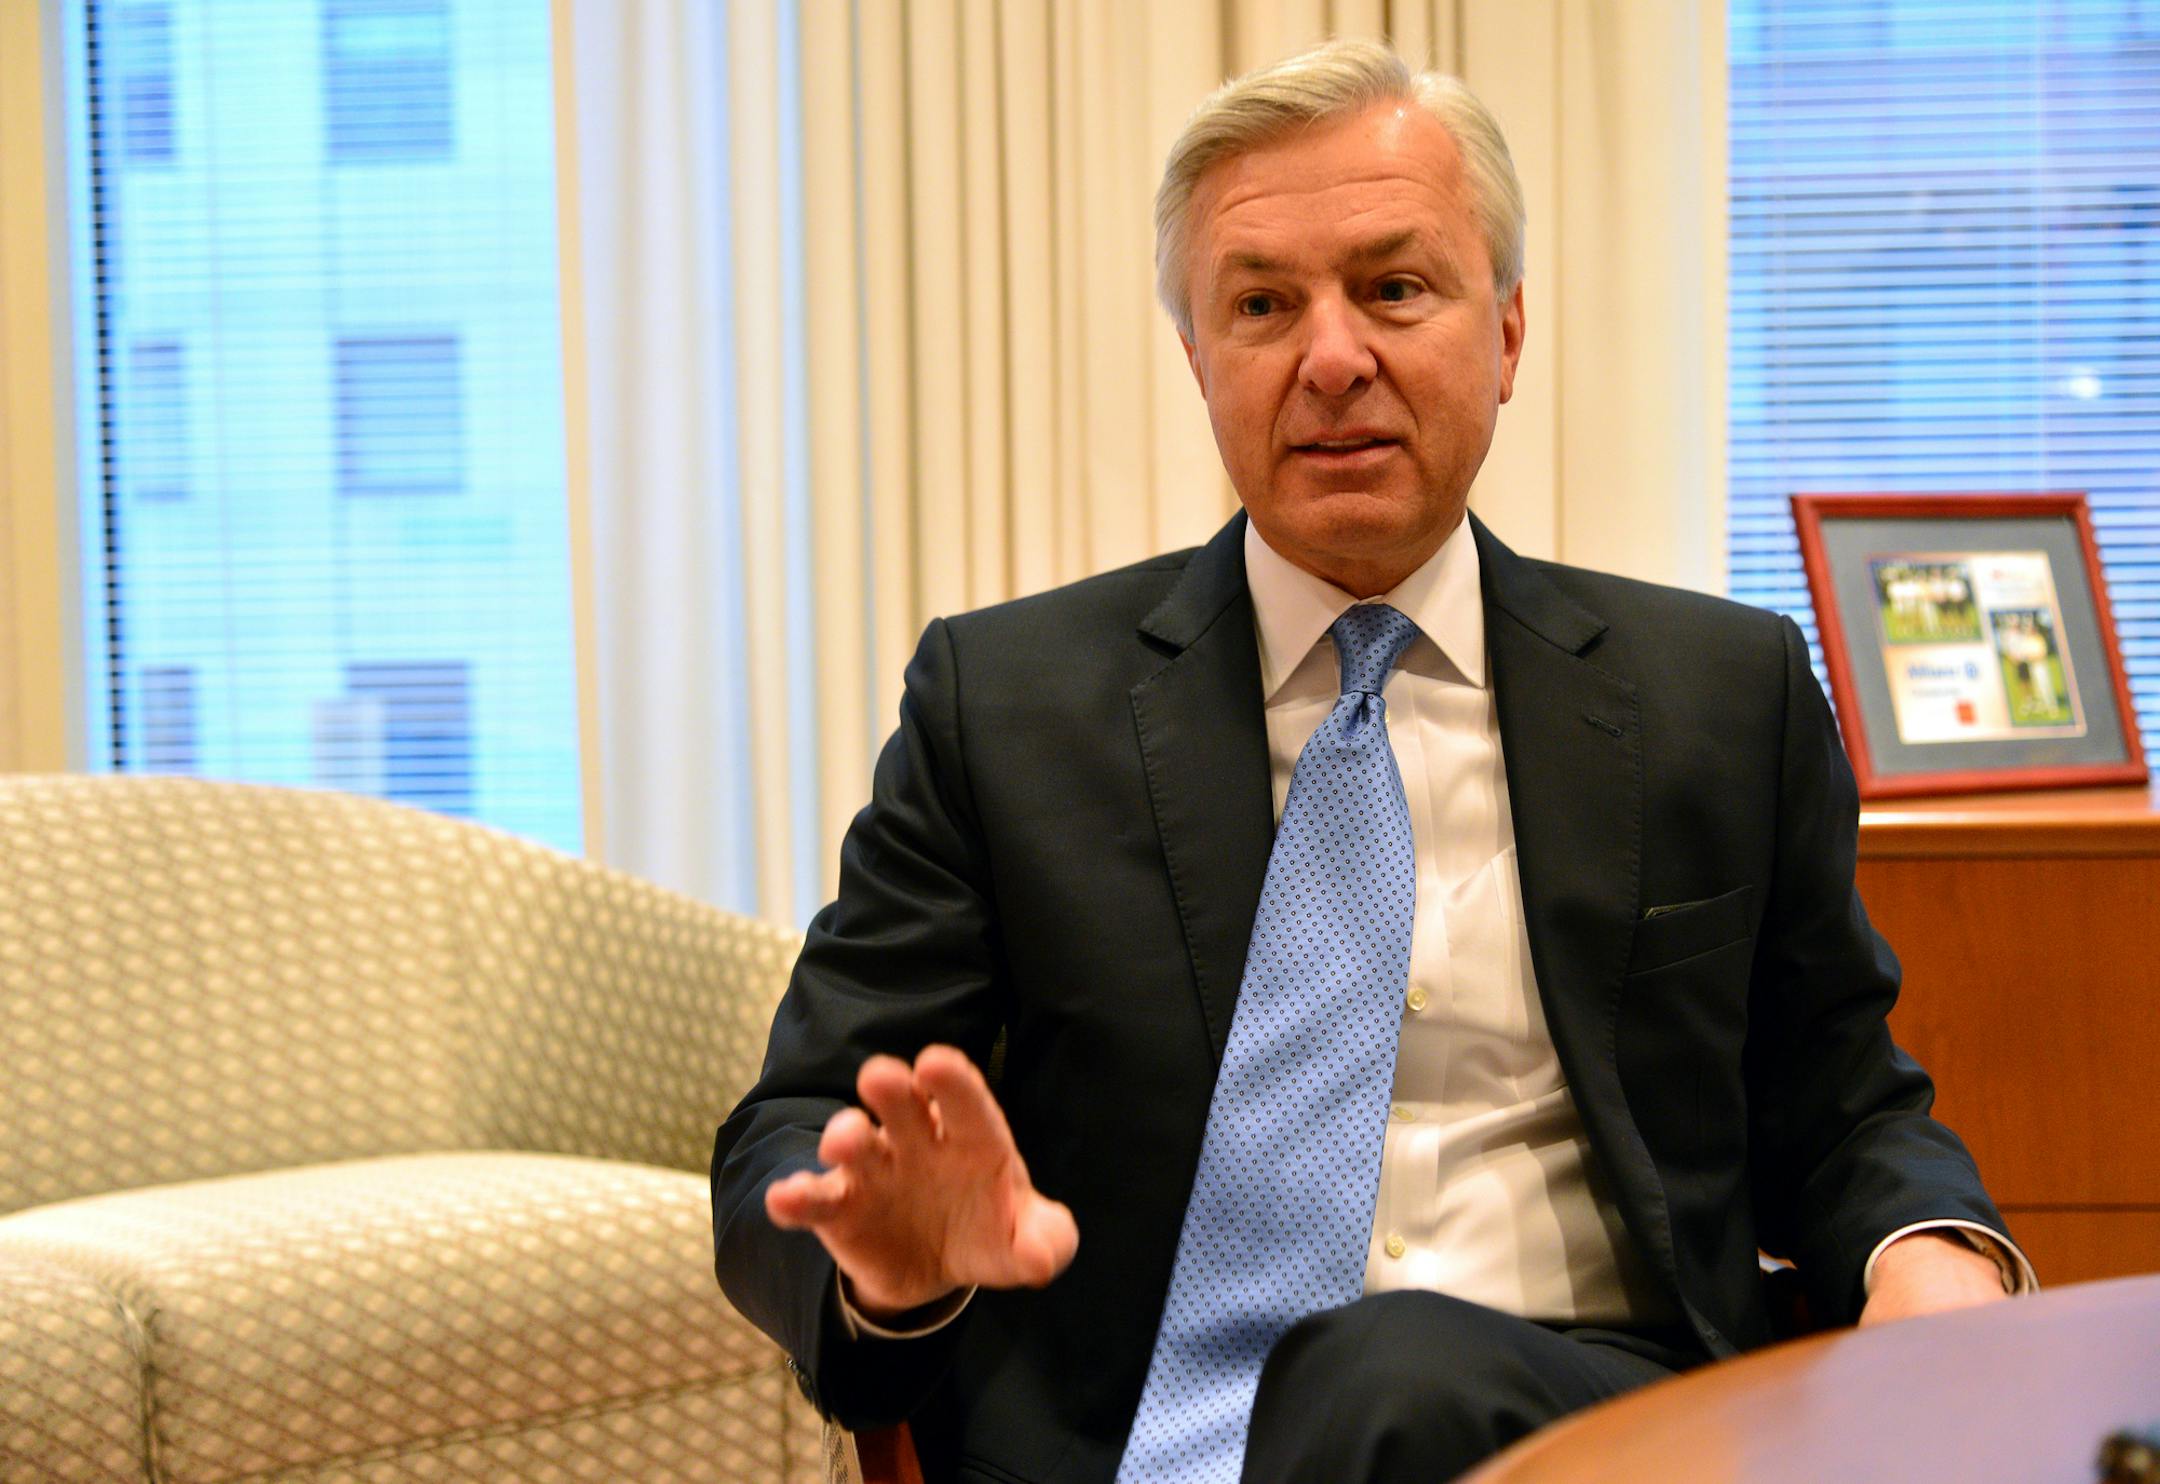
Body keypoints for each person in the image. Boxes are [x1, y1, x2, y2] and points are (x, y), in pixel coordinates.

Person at [713, 39, 2030, 1484]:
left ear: (1510, 332)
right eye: (1263, 305)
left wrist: (1935, 1257)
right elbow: (793, 1131)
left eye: (1395, 289)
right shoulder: (1005, 706)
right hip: (1141, 1443)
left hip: (1606, 1421)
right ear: (1198, 358)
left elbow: (1844, 1106)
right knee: (1372, 1385)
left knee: (1393, 1372)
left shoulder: (1720, 694)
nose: (1332, 357)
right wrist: (889, 1264)